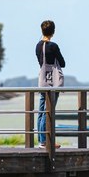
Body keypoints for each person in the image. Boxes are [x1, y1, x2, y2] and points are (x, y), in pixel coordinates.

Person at [35, 19, 66, 148]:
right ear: (53, 32)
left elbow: (40, 63)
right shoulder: (53, 46)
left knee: (41, 111)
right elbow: (62, 63)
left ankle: (41, 140)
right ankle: (46, 142)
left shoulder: (38, 46)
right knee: (49, 111)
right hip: (53, 83)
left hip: (43, 81)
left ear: (42, 30)